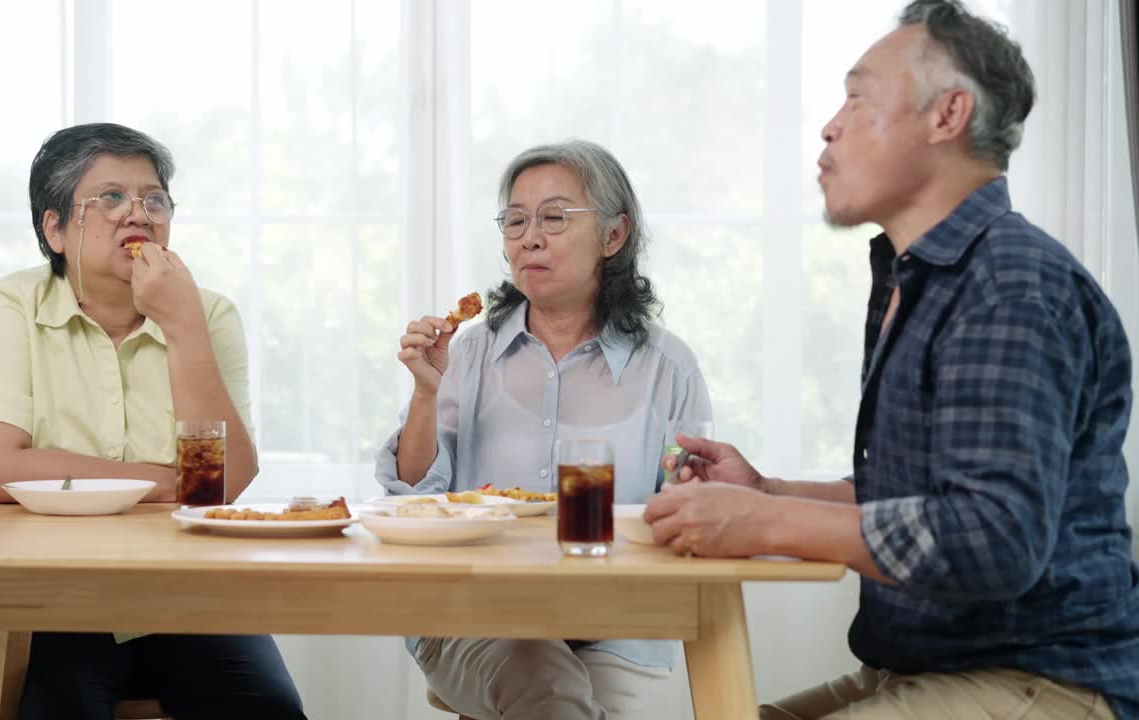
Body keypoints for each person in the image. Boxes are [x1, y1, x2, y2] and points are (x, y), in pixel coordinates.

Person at [647, 1, 1139, 718]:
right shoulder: (922, 277)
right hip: (919, 675)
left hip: (1039, 683)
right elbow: (925, 494)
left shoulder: (1010, 285)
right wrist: (769, 490)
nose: (828, 125)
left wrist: (762, 524)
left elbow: (992, 538)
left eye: (857, 97)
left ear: (947, 116)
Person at [0, 122, 307, 719]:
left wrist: (183, 327)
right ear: (55, 228)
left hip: (190, 601)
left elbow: (226, 483)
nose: (137, 215)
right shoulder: (15, 302)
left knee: (270, 711)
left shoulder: (210, 313)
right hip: (50, 601)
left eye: (153, 200)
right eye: (111, 198)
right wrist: (170, 483)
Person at [375, 139, 713, 719]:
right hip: (475, 619)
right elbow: (414, 498)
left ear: (613, 236)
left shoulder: (668, 367)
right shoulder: (467, 351)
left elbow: (691, 512)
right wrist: (427, 394)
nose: (529, 236)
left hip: (617, 631)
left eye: (554, 217)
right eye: (515, 220)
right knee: (549, 691)